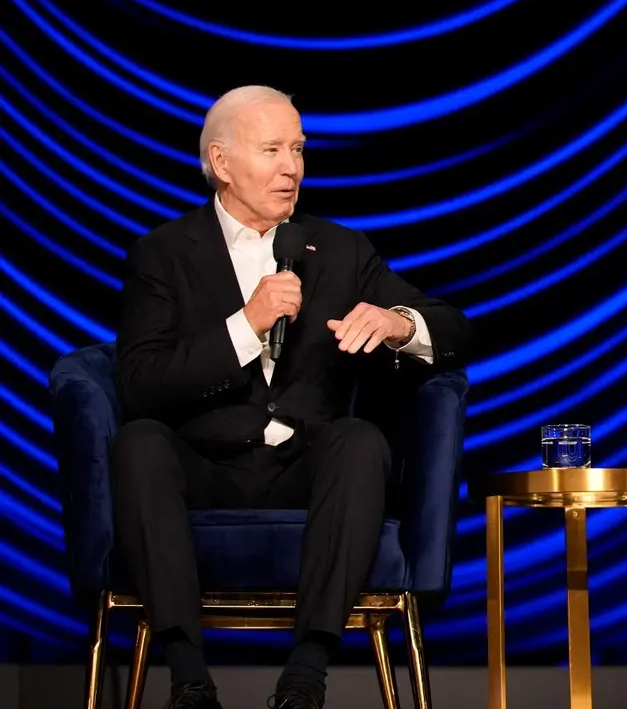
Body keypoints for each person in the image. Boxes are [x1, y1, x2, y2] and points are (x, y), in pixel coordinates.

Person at [111, 86, 471, 709]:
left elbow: (454, 327)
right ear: (222, 163)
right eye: (272, 149)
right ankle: (189, 679)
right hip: (204, 469)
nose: (292, 167)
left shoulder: (339, 250)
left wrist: (400, 323)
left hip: (308, 470)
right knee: (138, 444)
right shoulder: (162, 254)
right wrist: (245, 326)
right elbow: (140, 385)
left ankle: (305, 677)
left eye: (299, 149)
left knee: (360, 441)